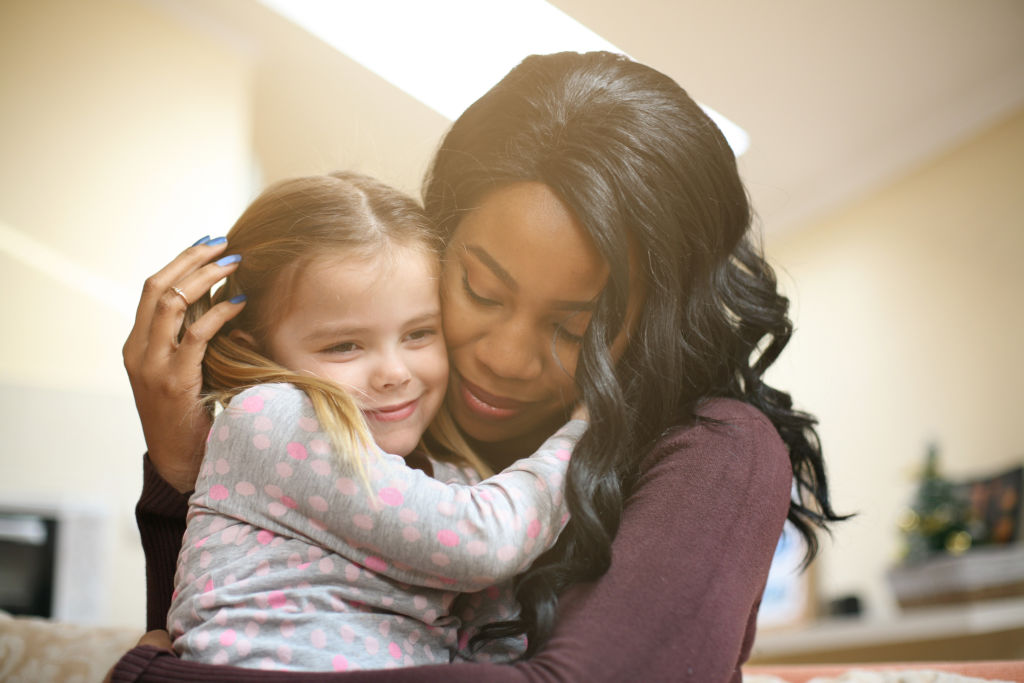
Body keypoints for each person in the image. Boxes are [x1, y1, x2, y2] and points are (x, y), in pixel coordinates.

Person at [113, 51, 843, 682]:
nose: (503, 357)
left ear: (655, 325)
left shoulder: (718, 450)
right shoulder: (390, 426)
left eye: (573, 326)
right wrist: (184, 471)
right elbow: (238, 633)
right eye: (480, 291)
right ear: (438, 242)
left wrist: (155, 676)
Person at [165, 172, 585, 671]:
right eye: (344, 345)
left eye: (419, 333)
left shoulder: (457, 483)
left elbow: (495, 646)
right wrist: (591, 425)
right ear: (259, 350)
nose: (393, 373)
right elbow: (485, 544)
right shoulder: (267, 416)